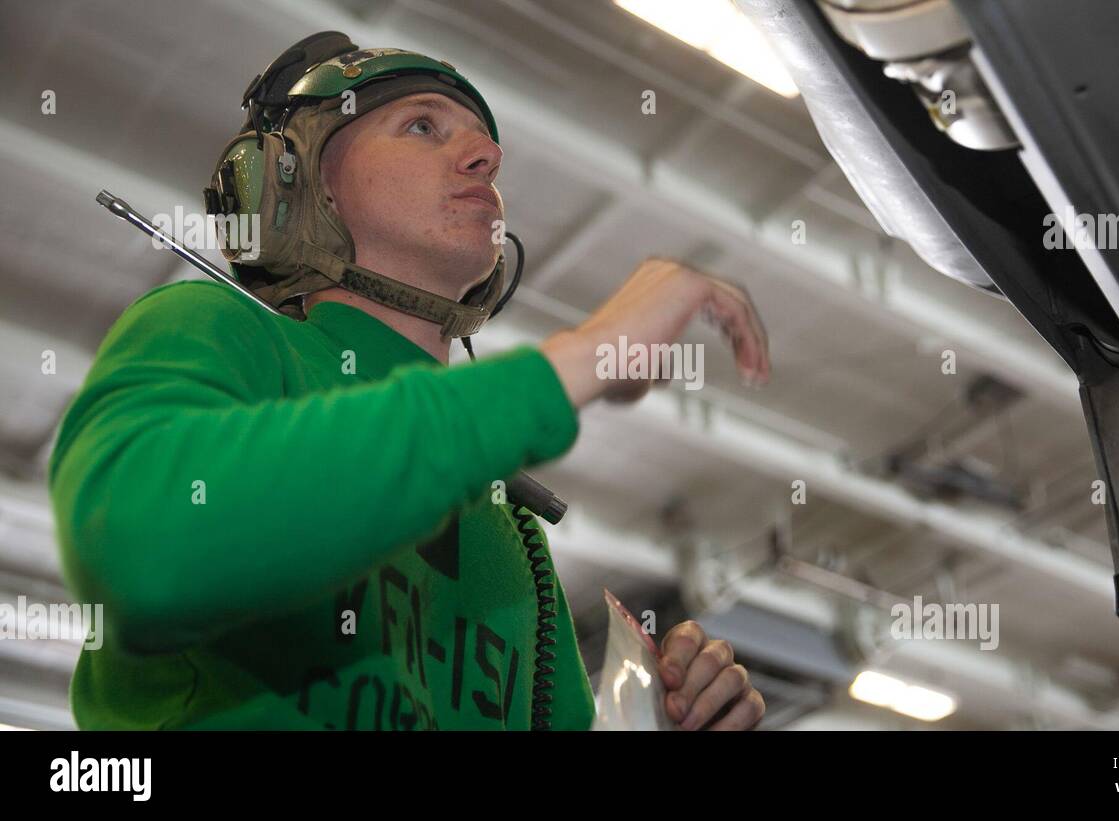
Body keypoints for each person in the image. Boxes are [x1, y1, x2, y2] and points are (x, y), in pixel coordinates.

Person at [47, 32, 770, 730]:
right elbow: (136, 554)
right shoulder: (214, 330)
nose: (486, 156)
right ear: (299, 183)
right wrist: (577, 360)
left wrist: (656, 721)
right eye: (422, 126)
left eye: (485, 146)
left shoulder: (507, 525)